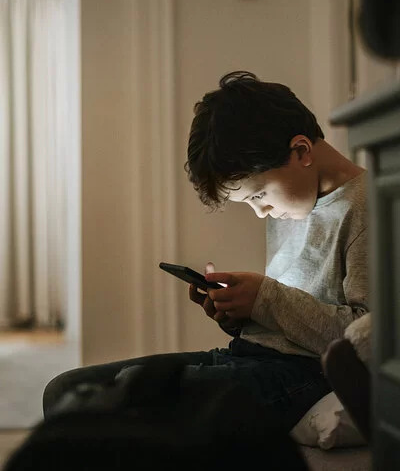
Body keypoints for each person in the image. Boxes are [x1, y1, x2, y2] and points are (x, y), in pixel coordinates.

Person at [42, 71, 368, 434]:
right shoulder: (294, 201)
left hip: (305, 373)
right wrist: (239, 312)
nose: (261, 212)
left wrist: (266, 298)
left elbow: (369, 339)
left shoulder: (370, 207)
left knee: (128, 395)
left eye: (258, 195)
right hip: (248, 356)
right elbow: (287, 315)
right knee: (65, 391)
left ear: (301, 152)